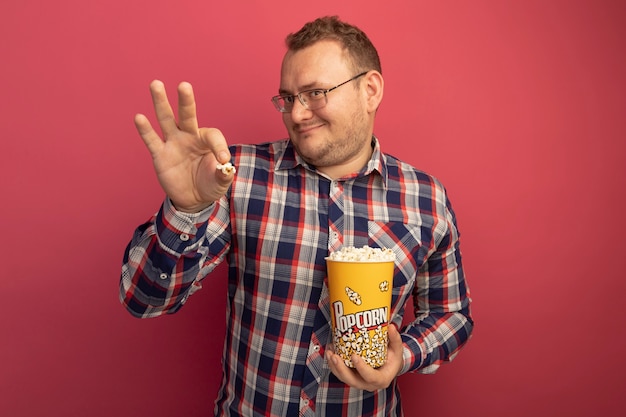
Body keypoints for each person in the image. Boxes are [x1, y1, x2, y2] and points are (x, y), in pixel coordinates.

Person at [120, 15, 473, 417]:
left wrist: (403, 356)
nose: (297, 114)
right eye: (287, 98)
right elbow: (142, 300)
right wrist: (186, 210)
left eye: (316, 93)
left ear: (370, 90)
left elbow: (451, 315)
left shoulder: (425, 198)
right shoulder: (235, 175)